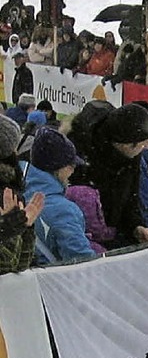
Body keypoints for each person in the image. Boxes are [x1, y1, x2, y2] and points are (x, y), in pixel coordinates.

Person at [68, 102, 148, 247]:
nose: (145, 149)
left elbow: (130, 200)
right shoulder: (82, 154)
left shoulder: (132, 158)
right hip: (82, 242)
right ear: (127, 144)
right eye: (142, 145)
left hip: (113, 240)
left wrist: (136, 227)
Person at [24, 127, 97, 263]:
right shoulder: (63, 210)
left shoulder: (13, 193)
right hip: (49, 282)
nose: (73, 171)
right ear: (58, 167)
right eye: (71, 166)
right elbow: (83, 263)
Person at [0, 114, 43, 274]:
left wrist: (24, 227)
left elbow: (20, 267)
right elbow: (6, 268)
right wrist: (9, 229)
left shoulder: (9, 189)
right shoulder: (6, 191)